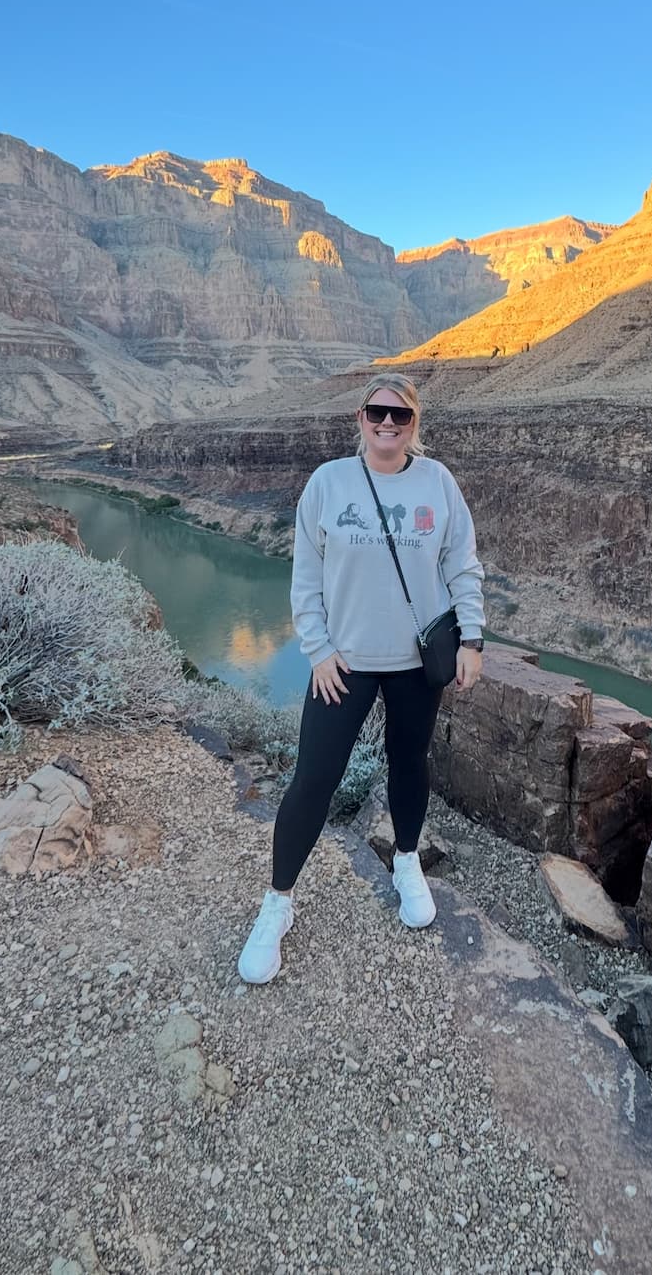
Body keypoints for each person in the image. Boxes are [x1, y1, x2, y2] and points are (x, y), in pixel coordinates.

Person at [237, 373, 486, 985]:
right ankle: (278, 902)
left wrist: (472, 638)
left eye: (400, 415)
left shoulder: (438, 482)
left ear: (414, 423)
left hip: (416, 664)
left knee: (409, 764)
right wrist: (317, 650)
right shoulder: (329, 483)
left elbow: (462, 564)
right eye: (378, 412)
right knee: (313, 779)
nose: (387, 424)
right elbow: (305, 576)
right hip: (343, 664)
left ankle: (406, 861)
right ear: (360, 417)